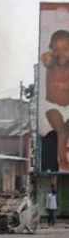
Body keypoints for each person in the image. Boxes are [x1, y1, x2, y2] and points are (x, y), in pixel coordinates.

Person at [42, 29, 69, 171]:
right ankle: (62, 160)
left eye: (66, 49)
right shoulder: (52, 63)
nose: (62, 53)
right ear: (51, 49)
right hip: (51, 106)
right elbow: (46, 60)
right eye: (57, 49)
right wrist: (49, 57)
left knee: (66, 129)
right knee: (62, 130)